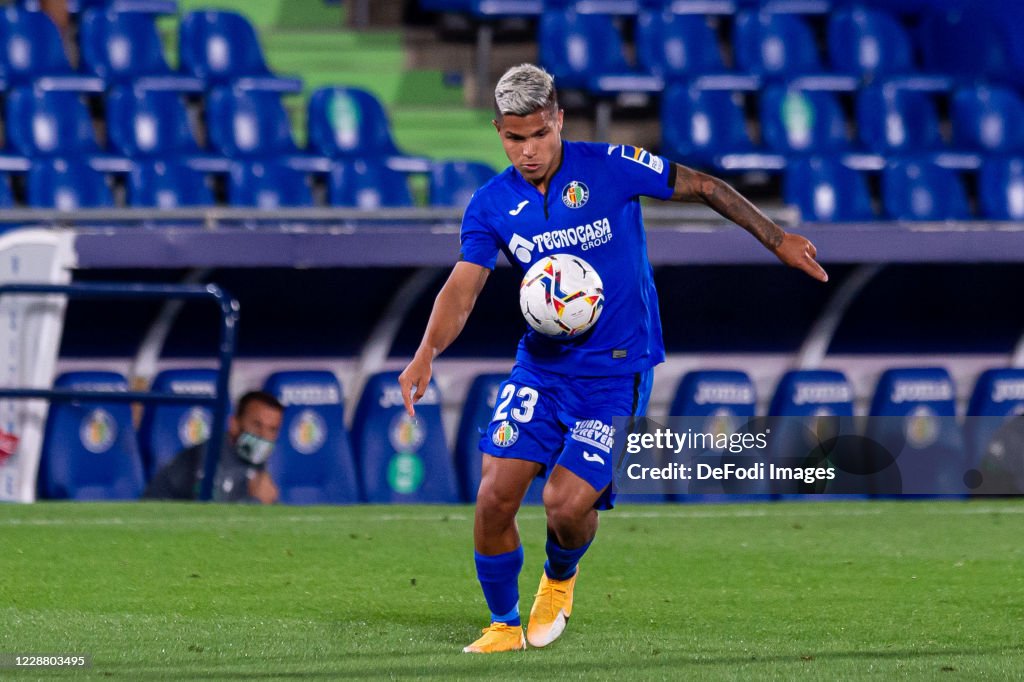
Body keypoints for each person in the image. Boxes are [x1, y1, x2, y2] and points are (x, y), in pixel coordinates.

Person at [398, 63, 828, 654]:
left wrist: (776, 238)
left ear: (560, 121)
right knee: (495, 495)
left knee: (565, 505)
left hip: (615, 372)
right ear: (499, 130)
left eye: (539, 135)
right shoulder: (491, 203)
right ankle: (502, 625)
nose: (527, 150)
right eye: (513, 138)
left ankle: (560, 576)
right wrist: (424, 353)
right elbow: (464, 286)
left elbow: (703, 185)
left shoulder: (611, 166)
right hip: (542, 369)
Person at [144, 390, 283, 504]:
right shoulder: (210, 455)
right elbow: (209, 517)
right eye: (257, 425)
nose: (263, 435)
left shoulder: (254, 457)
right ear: (234, 424)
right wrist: (257, 501)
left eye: (272, 429)